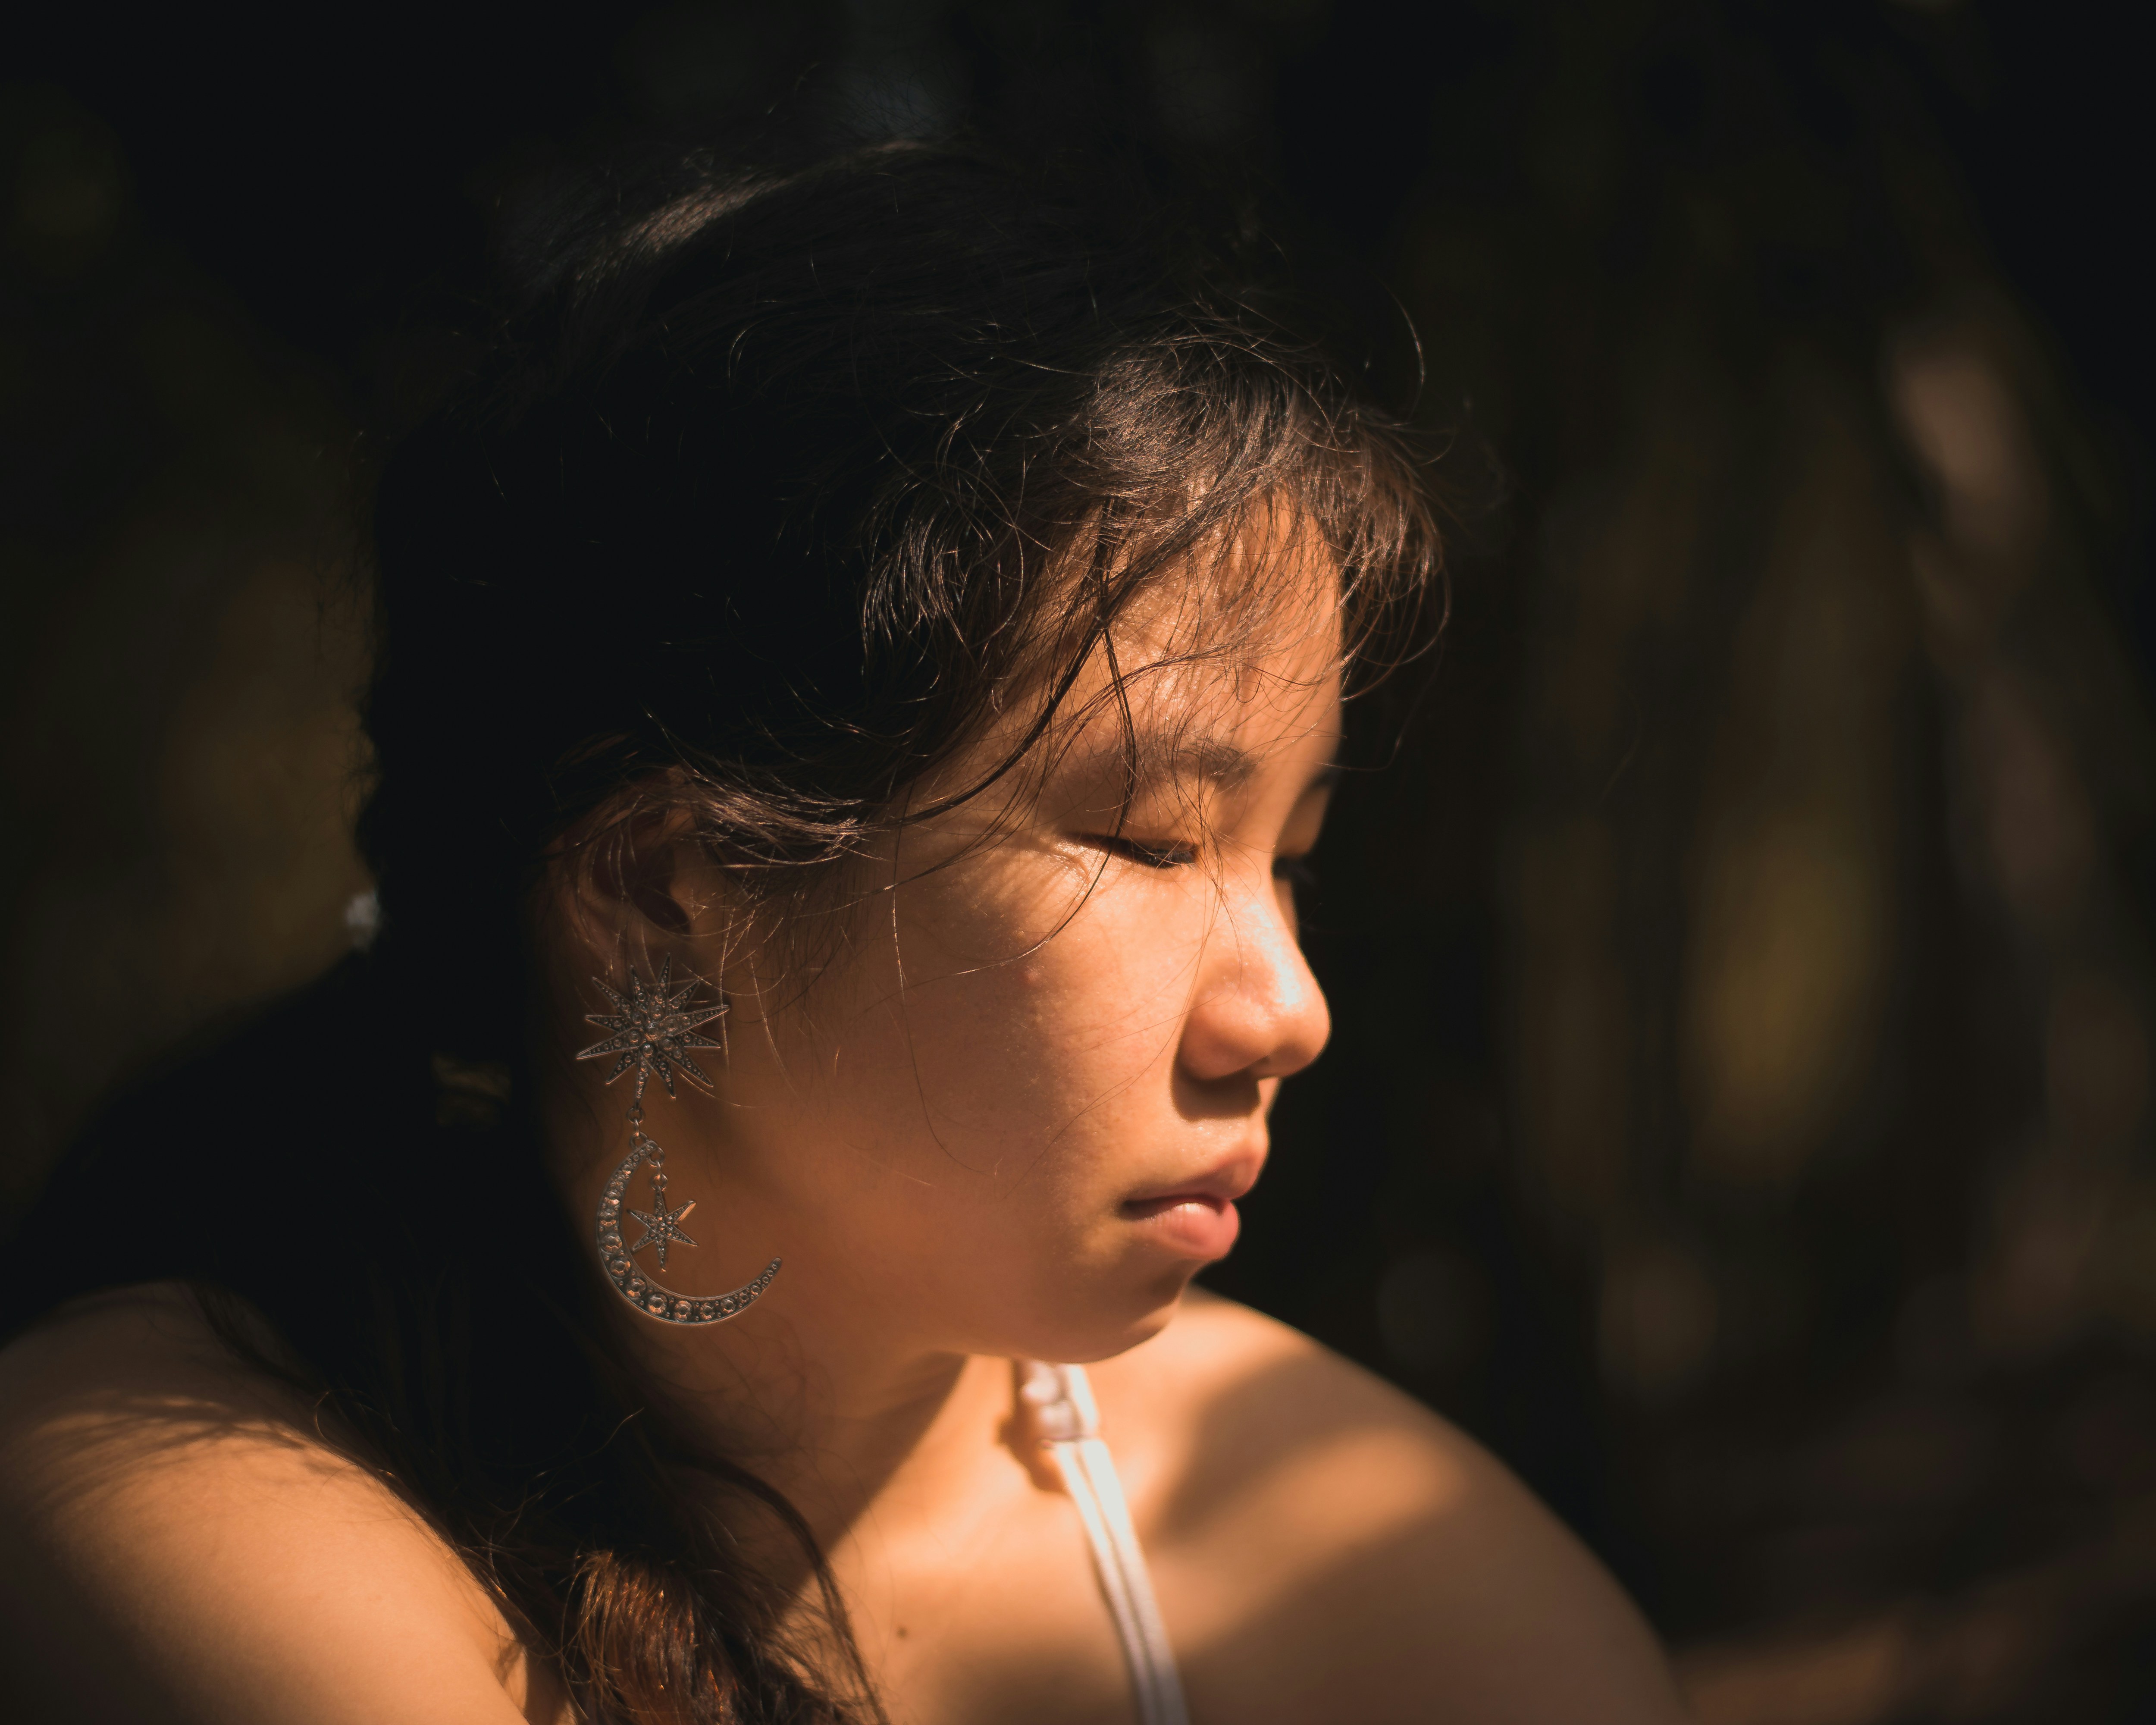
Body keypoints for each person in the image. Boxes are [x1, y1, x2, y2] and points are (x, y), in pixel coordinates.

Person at [0, 140, 1683, 1725]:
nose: (1286, 1009)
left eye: (1287, 853)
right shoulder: (162, 1488)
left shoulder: (1342, 1540)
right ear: (663, 888)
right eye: (1151, 839)